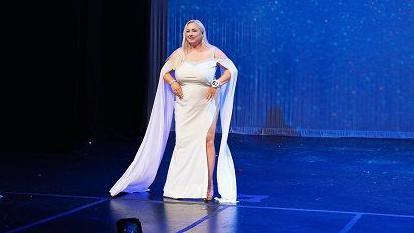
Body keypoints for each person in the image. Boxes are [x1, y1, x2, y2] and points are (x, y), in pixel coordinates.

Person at [109, 19, 238, 203]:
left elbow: (230, 70)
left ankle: (208, 185)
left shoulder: (213, 52)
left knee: (207, 141)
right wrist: (173, 82)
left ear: (202, 33)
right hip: (185, 104)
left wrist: (216, 83)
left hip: (206, 103)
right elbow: (164, 71)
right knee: (183, 143)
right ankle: (177, 186)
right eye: (187, 31)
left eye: (194, 31)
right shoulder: (180, 53)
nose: (190, 34)